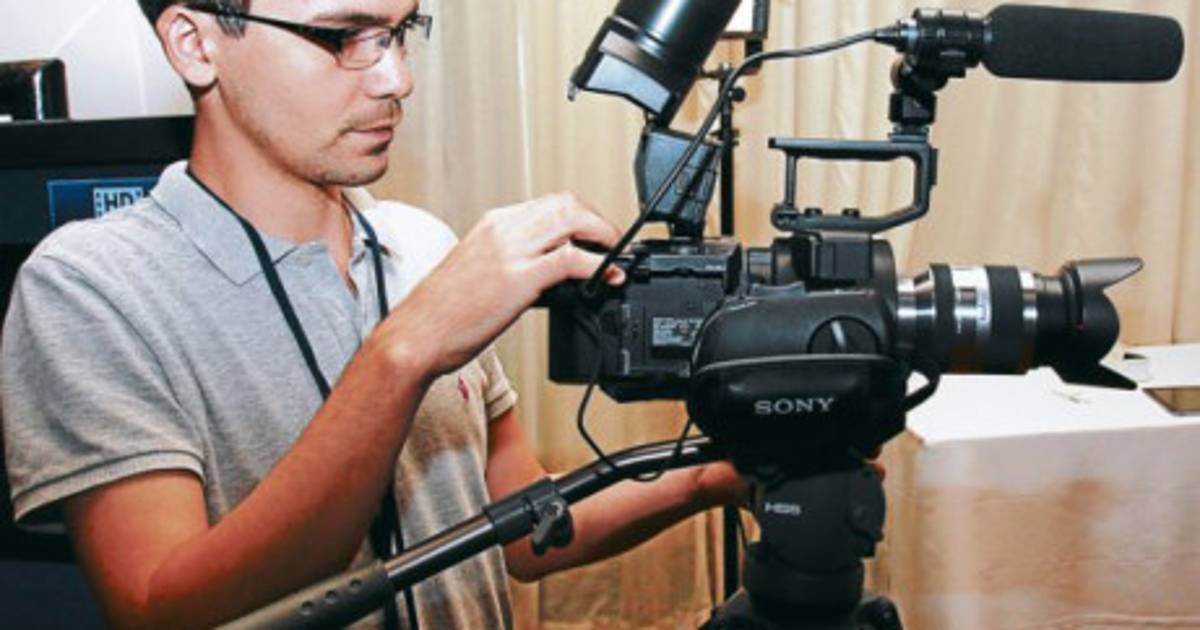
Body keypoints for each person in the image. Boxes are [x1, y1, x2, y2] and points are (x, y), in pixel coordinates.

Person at [0, 0, 745, 628]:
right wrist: (407, 349)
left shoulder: (421, 243)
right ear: (196, 44)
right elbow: (160, 608)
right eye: (342, 37)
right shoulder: (90, 287)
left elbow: (524, 525)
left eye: (399, 33)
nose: (398, 79)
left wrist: (715, 475)